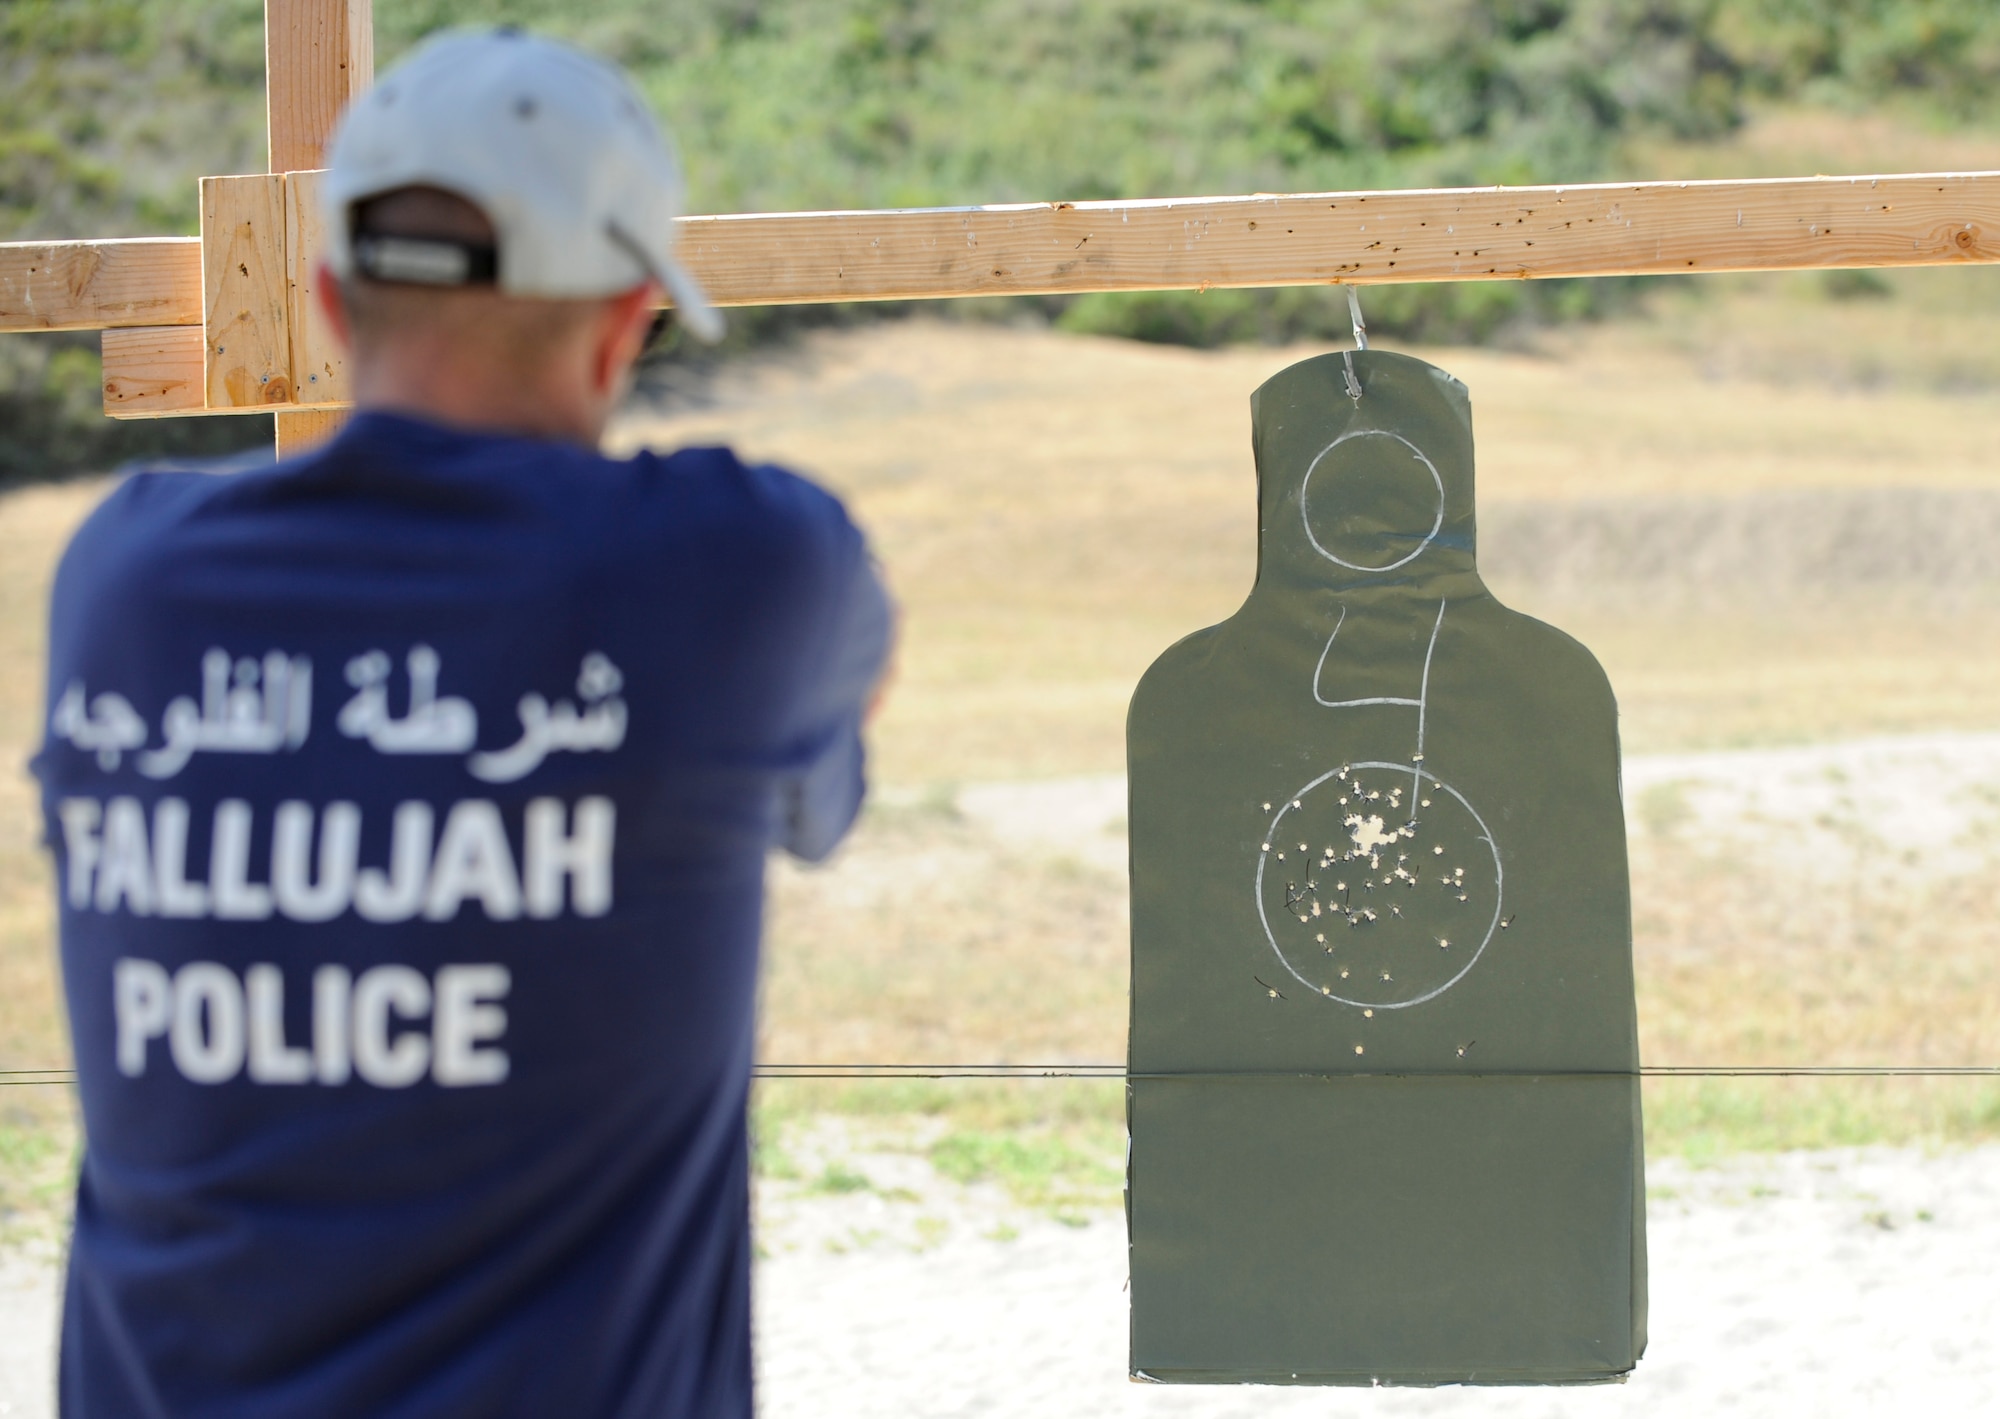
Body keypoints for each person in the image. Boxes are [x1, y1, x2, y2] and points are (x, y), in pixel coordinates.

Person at [32, 29, 891, 1418]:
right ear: (624, 322)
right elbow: (830, 756)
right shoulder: (736, 564)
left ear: (326, 298)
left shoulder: (124, 576)